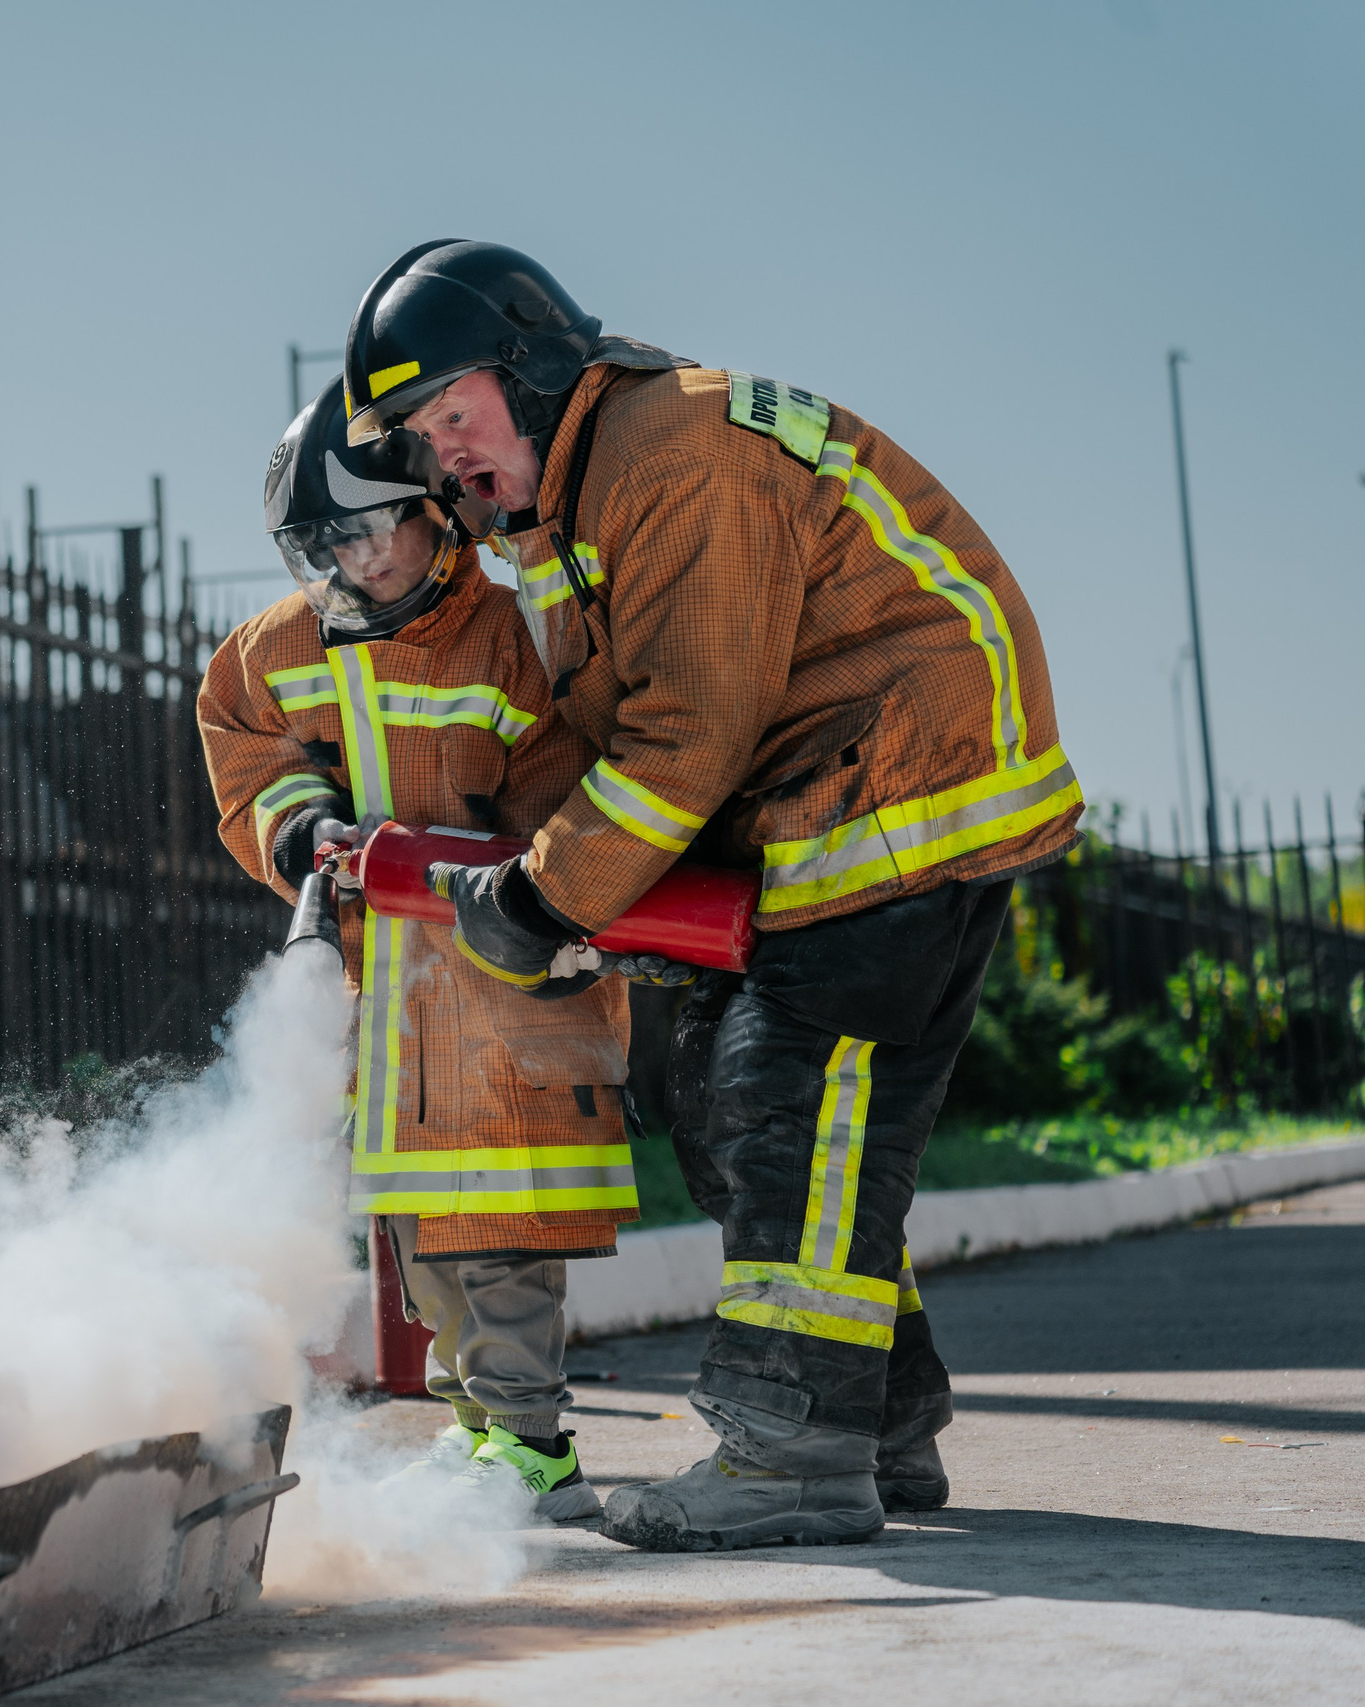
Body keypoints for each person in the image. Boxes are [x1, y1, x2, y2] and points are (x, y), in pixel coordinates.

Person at [341, 240, 1083, 1551]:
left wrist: (543, 900)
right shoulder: (580, 492)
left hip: (895, 794)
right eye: (420, 436)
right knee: (741, 1113)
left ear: (533, 367)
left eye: (453, 413)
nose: (441, 456)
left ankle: (793, 1452)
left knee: (791, 1107)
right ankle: (875, 1418)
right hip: (829, 801)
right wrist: (596, 893)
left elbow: (684, 733)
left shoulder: (670, 454)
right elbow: (636, 724)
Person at [197, 379, 641, 1522]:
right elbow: (248, 748)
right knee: (420, 1229)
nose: (362, 557)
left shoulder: (513, 637)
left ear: (435, 508)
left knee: (497, 1222)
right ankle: (484, 1433)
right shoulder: (275, 649)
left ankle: (532, 1448)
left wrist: (509, 884)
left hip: (504, 985)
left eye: (376, 526)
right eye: (331, 542)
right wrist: (299, 825)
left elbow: (572, 795)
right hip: (385, 997)